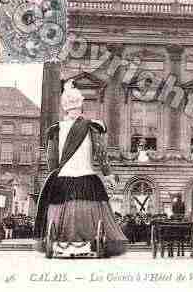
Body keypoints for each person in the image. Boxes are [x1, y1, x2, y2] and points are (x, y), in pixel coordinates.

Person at [33, 81, 127, 257]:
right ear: (81, 106)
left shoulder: (55, 130)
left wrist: (54, 176)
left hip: (62, 181)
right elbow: (101, 155)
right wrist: (109, 175)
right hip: (88, 180)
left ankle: (57, 240)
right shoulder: (92, 127)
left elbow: (51, 161)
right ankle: (89, 241)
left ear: (64, 108)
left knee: (55, 211)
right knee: (97, 213)